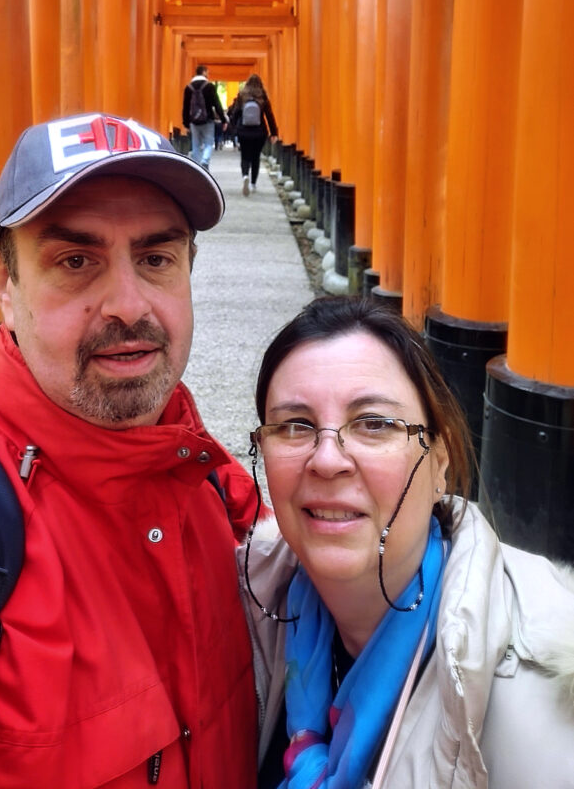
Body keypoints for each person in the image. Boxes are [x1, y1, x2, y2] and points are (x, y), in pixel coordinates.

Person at [0, 112, 260, 788]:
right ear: (4, 285)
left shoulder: (213, 486)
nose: (128, 305)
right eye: (76, 262)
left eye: (156, 259)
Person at [238, 296, 574, 789]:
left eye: (374, 423)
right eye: (296, 425)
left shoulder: (545, 700)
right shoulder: (245, 612)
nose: (327, 460)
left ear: (439, 464)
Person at [228, 73, 278, 197]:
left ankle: (245, 175)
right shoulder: (262, 96)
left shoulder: (242, 95)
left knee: (245, 156)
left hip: (244, 131)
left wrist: (233, 130)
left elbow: (235, 114)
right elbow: (269, 115)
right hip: (259, 132)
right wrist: (274, 133)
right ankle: (253, 183)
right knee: (255, 157)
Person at [182, 64, 227, 171]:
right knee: (208, 142)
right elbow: (217, 104)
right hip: (208, 120)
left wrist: (186, 123)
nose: (208, 74)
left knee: (196, 144)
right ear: (203, 72)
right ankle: (205, 161)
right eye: (207, 72)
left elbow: (186, 107)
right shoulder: (209, 86)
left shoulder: (188, 88)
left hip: (194, 121)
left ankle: (197, 168)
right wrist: (223, 119)